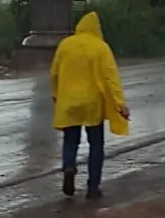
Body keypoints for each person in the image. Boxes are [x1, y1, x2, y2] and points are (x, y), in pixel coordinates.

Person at [50, 11, 130, 199]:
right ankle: (93, 188)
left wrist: (56, 95)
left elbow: (54, 73)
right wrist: (120, 103)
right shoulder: (101, 47)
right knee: (96, 144)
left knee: (70, 140)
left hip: (69, 102)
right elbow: (111, 77)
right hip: (92, 103)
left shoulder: (65, 45)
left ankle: (69, 166)